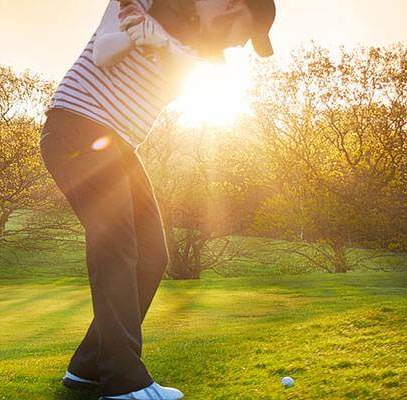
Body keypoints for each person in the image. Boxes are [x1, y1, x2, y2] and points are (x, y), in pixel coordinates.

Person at [40, 0, 276, 399]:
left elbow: (201, 70)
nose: (239, 44)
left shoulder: (205, 51)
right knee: (116, 248)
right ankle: (124, 383)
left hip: (118, 145)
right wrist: (143, 35)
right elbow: (104, 51)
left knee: (152, 254)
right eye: (244, 31)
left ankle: (87, 367)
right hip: (78, 129)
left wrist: (157, 38)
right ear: (231, 5)